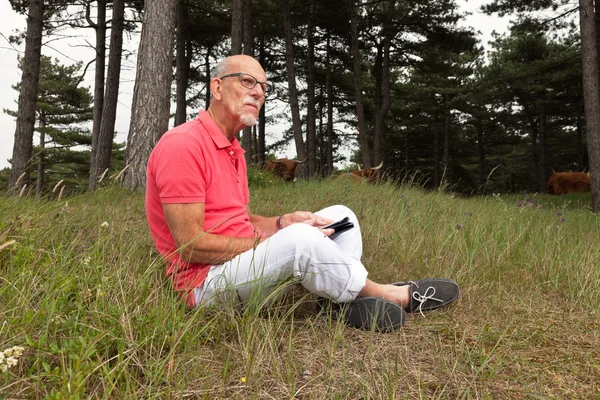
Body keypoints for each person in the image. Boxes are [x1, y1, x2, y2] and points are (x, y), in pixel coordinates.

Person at [145, 55, 459, 332]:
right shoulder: (183, 146)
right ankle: (389, 293)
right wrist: (278, 241)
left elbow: (239, 218)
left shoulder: (232, 149)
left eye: (264, 87)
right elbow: (190, 245)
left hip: (241, 266)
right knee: (301, 242)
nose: (258, 92)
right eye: (247, 81)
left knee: (341, 215)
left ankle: (336, 303)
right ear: (217, 88)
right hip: (206, 286)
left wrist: (283, 222)